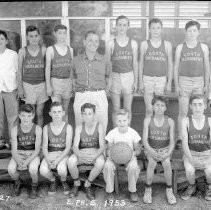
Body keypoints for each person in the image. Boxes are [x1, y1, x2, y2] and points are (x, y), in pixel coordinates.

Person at [174, 20, 210, 147]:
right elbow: (176, 67)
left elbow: (207, 67)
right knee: (183, 111)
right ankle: (180, 137)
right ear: (186, 32)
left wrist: (207, 85)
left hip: (199, 81)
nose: (192, 33)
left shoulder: (204, 47)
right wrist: (177, 85)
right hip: (184, 81)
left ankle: (196, 136)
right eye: (190, 30)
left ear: (198, 32)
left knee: (198, 110)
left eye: (195, 30)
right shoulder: (180, 47)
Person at [72, 30, 112, 134]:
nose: (93, 43)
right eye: (90, 40)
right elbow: (73, 78)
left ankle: (101, 148)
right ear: (84, 42)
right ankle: (82, 148)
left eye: (96, 41)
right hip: (82, 95)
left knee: (102, 125)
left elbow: (109, 78)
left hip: (99, 94)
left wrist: (102, 92)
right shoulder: (76, 60)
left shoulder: (104, 60)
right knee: (80, 126)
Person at [142, 95, 176, 205]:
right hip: (151, 149)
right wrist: (151, 151)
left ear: (166, 108)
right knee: (152, 162)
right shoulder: (147, 120)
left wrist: (168, 153)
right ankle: (148, 189)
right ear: (152, 107)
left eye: (162, 105)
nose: (160, 108)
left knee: (166, 163)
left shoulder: (170, 121)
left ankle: (169, 190)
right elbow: (144, 140)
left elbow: (172, 142)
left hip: (165, 149)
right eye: (157, 105)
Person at [67, 103, 105, 200]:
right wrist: (80, 156)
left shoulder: (99, 126)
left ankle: (88, 184)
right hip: (82, 152)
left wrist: (95, 156)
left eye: (90, 113)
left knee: (100, 162)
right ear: (82, 115)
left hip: (95, 152)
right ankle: (76, 183)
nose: (87, 116)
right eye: (84, 114)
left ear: (94, 114)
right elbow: (75, 146)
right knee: (70, 161)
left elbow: (102, 146)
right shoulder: (79, 127)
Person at [103, 109, 141, 202]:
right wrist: (111, 155)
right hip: (115, 157)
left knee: (133, 167)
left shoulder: (133, 133)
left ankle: (132, 191)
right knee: (108, 166)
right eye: (119, 120)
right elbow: (109, 149)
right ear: (116, 121)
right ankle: (109, 191)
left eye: (124, 120)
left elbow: (138, 149)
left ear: (128, 120)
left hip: (129, 157)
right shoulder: (112, 133)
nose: (122, 123)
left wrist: (133, 153)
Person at [106, 15, 138, 126]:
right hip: (115, 76)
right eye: (119, 24)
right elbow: (108, 63)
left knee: (127, 109)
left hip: (129, 76)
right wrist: (109, 80)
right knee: (116, 109)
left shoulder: (133, 43)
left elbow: (135, 63)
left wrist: (136, 81)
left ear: (128, 27)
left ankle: (127, 135)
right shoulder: (110, 43)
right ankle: (116, 135)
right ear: (116, 26)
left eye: (124, 25)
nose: (122, 27)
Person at [139, 18, 173, 118]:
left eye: (158, 28)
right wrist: (140, 82)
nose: (155, 30)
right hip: (147, 79)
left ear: (161, 29)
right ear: (149, 30)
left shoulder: (167, 44)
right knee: (149, 110)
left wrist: (169, 83)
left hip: (161, 80)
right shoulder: (144, 44)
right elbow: (141, 63)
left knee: (160, 110)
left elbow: (170, 64)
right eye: (153, 28)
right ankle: (148, 133)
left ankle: (158, 132)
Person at [8, 104, 42, 199]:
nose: (26, 118)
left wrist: (26, 162)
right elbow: (14, 150)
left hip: (32, 153)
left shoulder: (37, 129)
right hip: (19, 153)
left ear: (33, 116)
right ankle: (18, 182)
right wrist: (19, 161)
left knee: (33, 168)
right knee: (11, 169)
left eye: (28, 116)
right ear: (19, 116)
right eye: (23, 115)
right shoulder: (15, 129)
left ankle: (34, 185)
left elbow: (37, 150)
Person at [181, 94, 211, 201]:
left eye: (200, 104)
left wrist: (208, 159)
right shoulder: (185, 121)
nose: (197, 108)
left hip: (207, 153)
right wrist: (190, 159)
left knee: (209, 171)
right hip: (191, 153)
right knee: (189, 170)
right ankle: (192, 186)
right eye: (194, 105)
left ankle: (209, 186)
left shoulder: (210, 121)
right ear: (190, 106)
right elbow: (184, 142)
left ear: (205, 106)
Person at [17, 25, 48, 127]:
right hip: (28, 85)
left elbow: (48, 68)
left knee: (39, 113)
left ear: (39, 37)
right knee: (29, 113)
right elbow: (19, 71)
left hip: (41, 85)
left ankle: (39, 135)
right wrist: (20, 88)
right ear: (27, 37)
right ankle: (30, 135)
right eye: (31, 36)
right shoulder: (22, 51)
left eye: (35, 36)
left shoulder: (43, 50)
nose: (34, 38)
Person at [40, 102, 73, 195]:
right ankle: (53, 180)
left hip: (63, 154)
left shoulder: (68, 127)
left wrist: (58, 160)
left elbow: (68, 147)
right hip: (50, 153)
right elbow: (45, 147)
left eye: (59, 111)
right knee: (43, 170)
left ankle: (63, 181)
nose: (57, 114)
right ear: (50, 113)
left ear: (63, 113)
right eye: (54, 112)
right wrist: (48, 159)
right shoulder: (46, 128)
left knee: (61, 169)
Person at [45, 24, 73, 123]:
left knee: (65, 111)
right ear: (55, 34)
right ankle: (56, 133)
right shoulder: (50, 49)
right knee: (56, 111)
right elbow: (47, 68)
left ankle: (65, 135)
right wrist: (48, 86)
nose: (62, 35)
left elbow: (71, 69)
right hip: (55, 82)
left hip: (67, 83)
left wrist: (72, 85)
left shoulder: (70, 50)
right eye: (60, 33)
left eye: (64, 33)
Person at [0, 30, 18, 149]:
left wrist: (18, 88)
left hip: (11, 89)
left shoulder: (12, 54)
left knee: (13, 117)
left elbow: (18, 72)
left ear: (6, 41)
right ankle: (1, 141)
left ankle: (12, 140)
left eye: (1, 39)